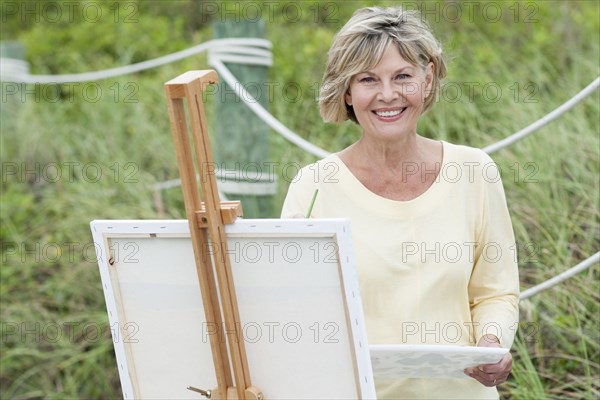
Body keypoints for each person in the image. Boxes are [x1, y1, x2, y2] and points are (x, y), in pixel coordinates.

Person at [281, 6, 519, 399]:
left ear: (427, 80)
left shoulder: (474, 171)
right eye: (368, 79)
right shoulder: (314, 187)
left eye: (403, 77)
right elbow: (297, 311)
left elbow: (495, 292)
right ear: (347, 91)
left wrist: (491, 341)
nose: (387, 94)